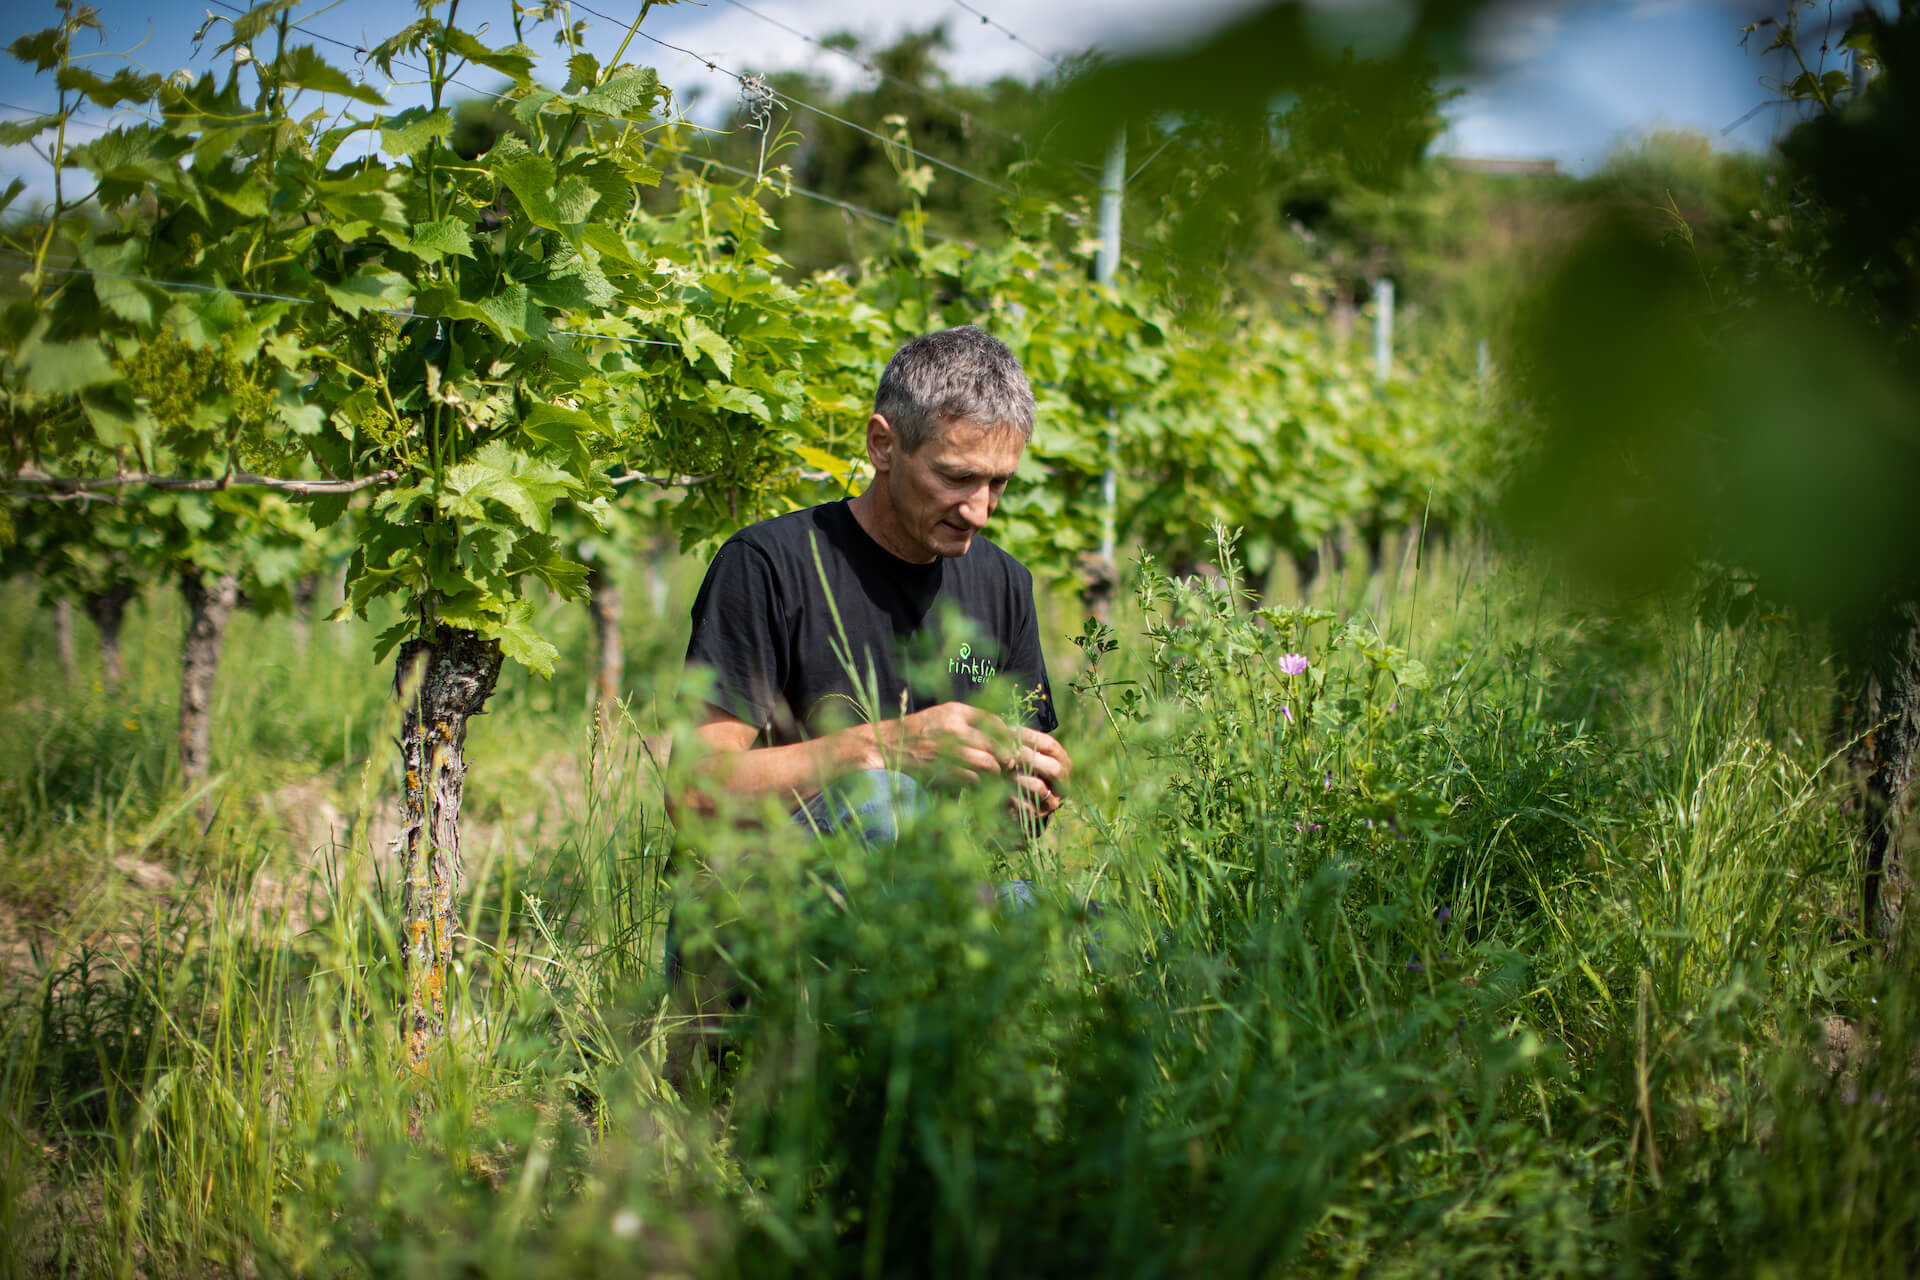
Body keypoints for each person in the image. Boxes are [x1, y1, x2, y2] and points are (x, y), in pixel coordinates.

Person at [665, 325, 1072, 1078]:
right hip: (764, 930)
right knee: (883, 801)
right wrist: (890, 746)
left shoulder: (1003, 584)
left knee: (1076, 925)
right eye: (955, 478)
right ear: (883, 444)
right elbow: (693, 792)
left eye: (999, 484)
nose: (979, 509)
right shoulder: (767, 567)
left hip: (936, 915)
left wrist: (1031, 786)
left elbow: (1011, 833)